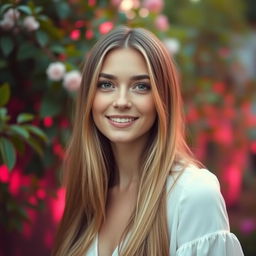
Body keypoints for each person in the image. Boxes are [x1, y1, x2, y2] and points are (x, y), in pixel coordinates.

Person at [52, 26, 244, 256]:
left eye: (141, 86)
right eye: (106, 85)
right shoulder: (87, 192)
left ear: (162, 99)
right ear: (89, 97)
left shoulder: (192, 194)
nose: (121, 101)